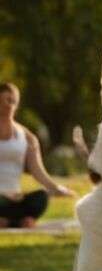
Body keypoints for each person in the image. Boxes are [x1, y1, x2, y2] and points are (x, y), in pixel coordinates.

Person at [0, 82, 74, 227]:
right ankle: (17, 222)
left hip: (15, 199)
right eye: (4, 100)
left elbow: (38, 171)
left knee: (41, 197)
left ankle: (8, 222)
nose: (8, 105)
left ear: (17, 103)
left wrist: (57, 188)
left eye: (12, 100)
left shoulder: (28, 137)